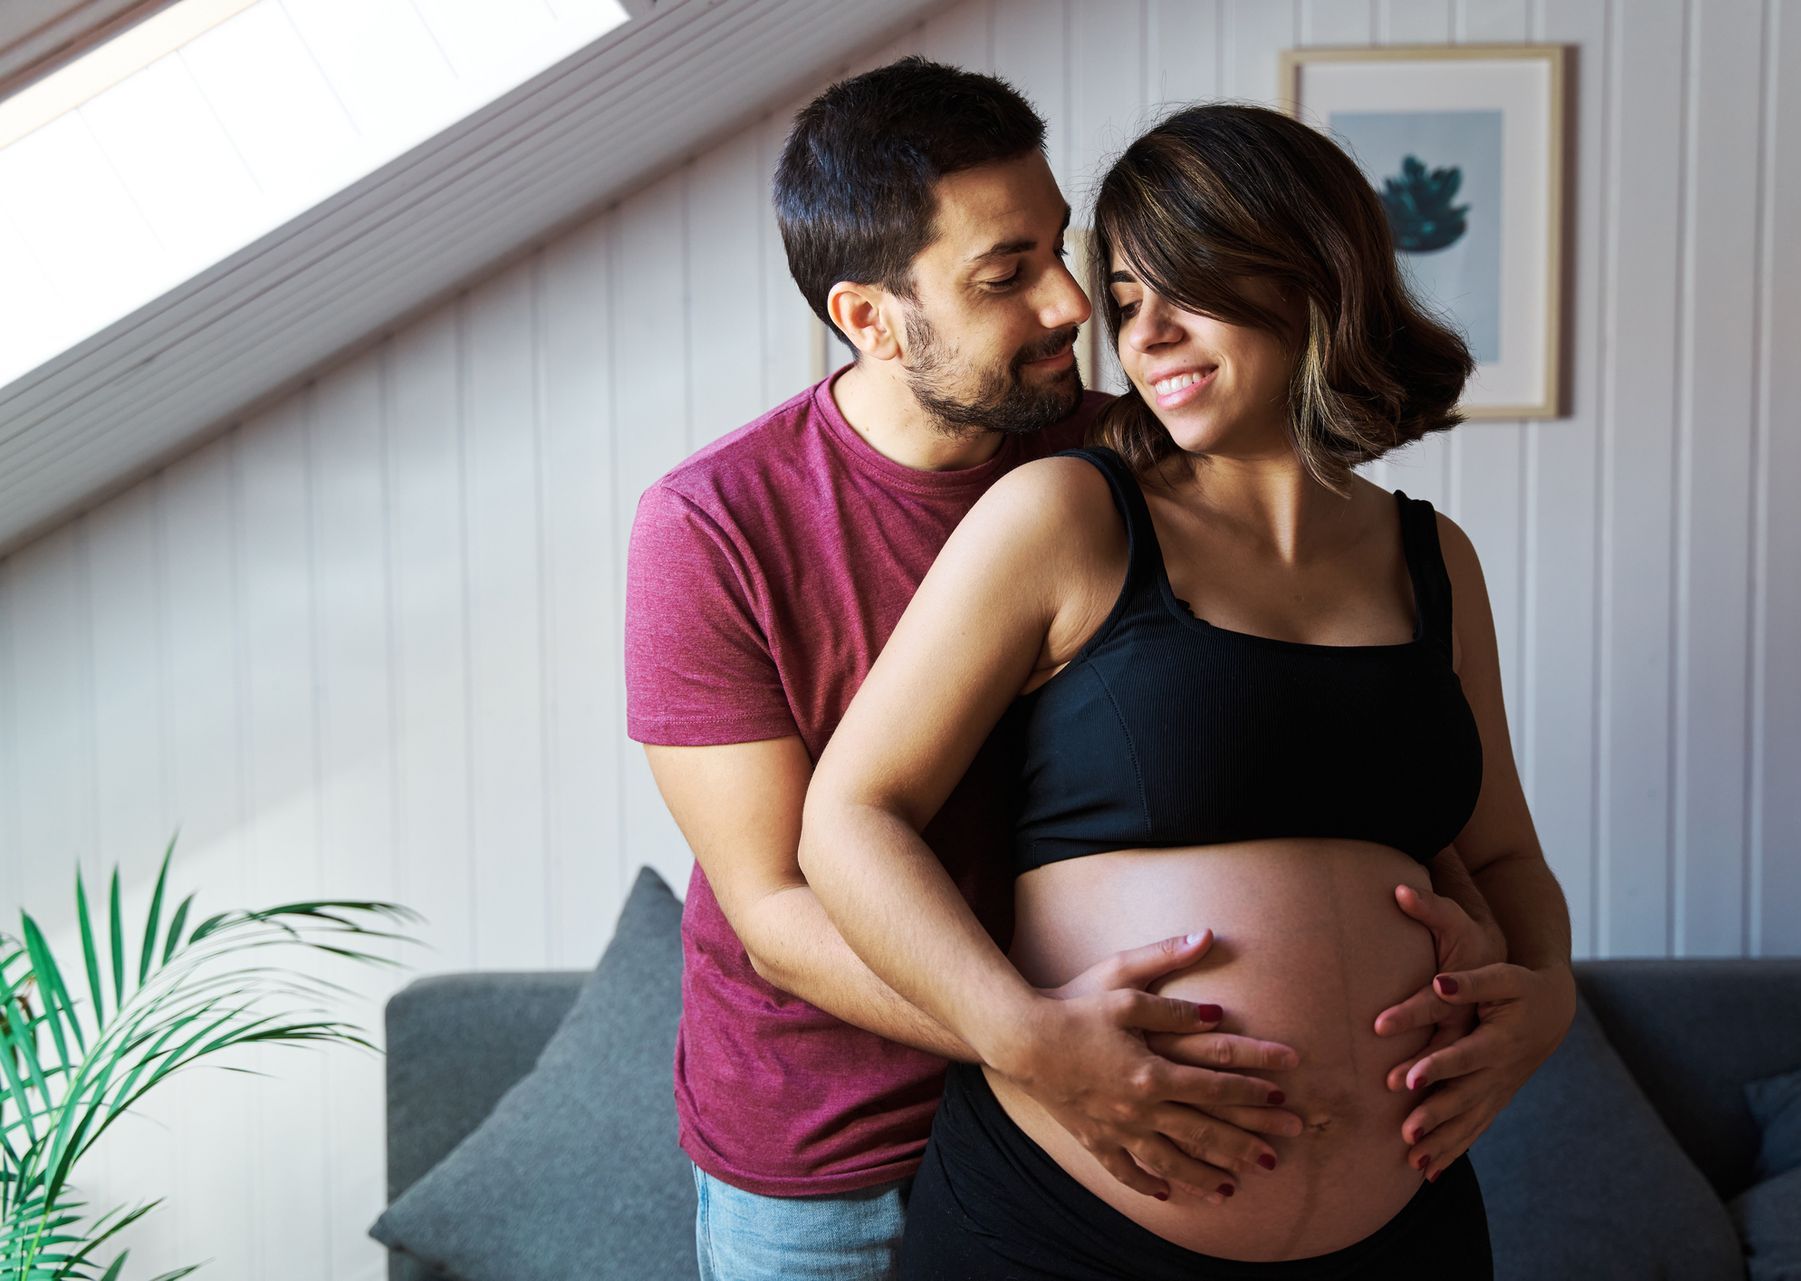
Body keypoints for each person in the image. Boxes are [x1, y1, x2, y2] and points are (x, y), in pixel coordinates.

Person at [798, 102, 1578, 1278]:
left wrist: (1550, 998)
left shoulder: (1434, 559)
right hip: (1066, 1229)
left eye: (1186, 286)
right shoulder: (1068, 517)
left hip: (1406, 1225)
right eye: (1123, 300)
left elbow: (1506, 859)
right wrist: (1027, 1038)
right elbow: (849, 821)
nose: (1144, 333)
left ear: (1313, 274)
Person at [627, 62, 1310, 1281]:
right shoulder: (712, 527)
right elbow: (776, 906)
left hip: (1083, 1125)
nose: (1070, 304)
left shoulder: (1126, 455)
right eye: (1006, 275)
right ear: (870, 318)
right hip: (833, 1159)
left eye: (1061, 248)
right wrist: (1035, 1039)